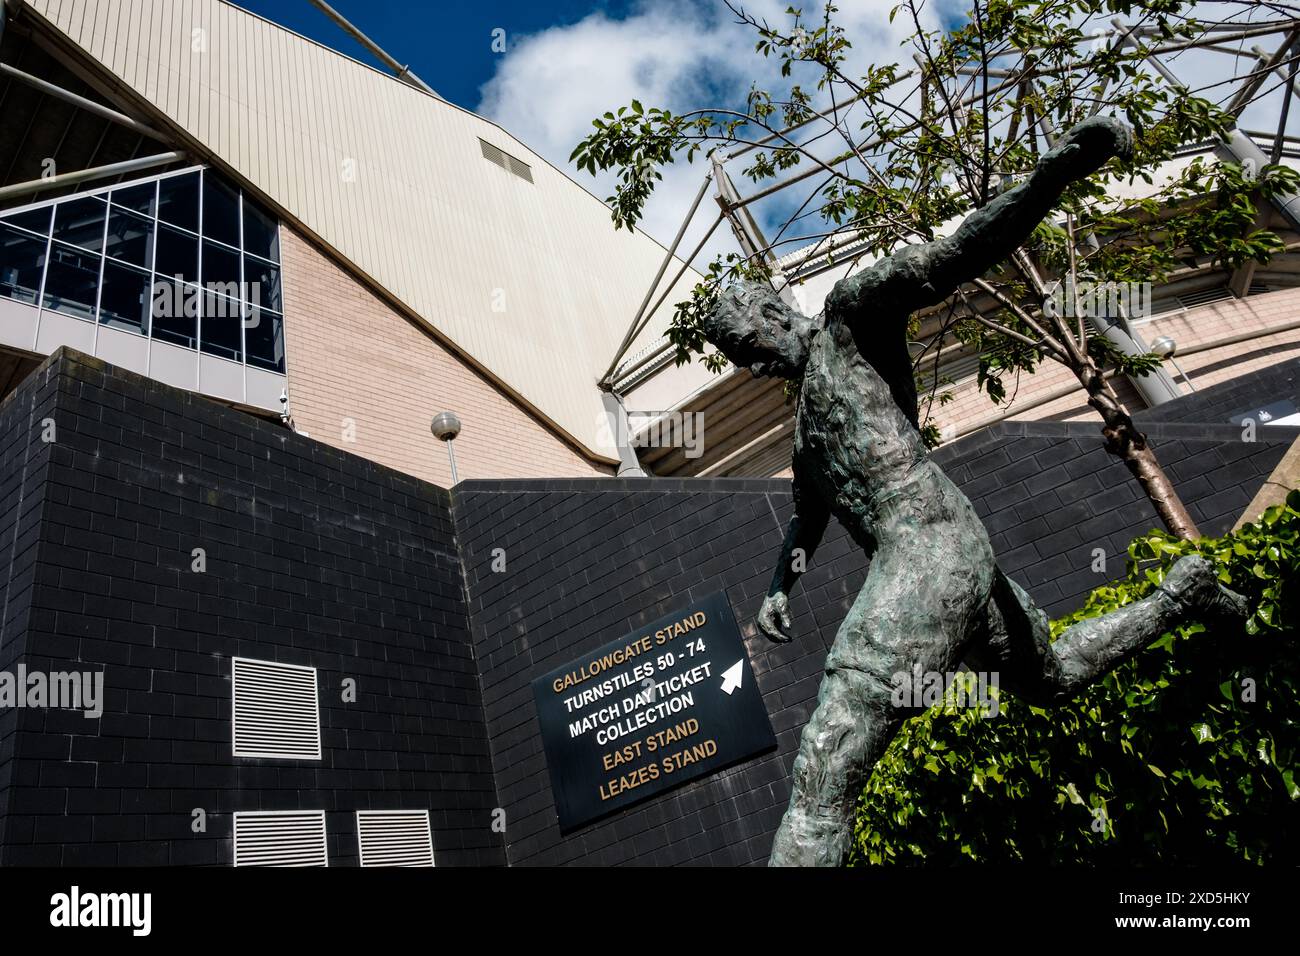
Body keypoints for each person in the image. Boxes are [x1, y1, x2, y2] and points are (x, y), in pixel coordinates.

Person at [701, 116, 1249, 867]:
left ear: (772, 313)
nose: (756, 365)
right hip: (949, 556)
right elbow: (807, 517)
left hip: (927, 544)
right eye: (742, 361)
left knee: (828, 759)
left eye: (750, 347)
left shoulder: (849, 321)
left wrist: (1062, 169)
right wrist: (778, 589)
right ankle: (1184, 594)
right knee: (1051, 675)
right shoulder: (804, 435)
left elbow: (957, 252)